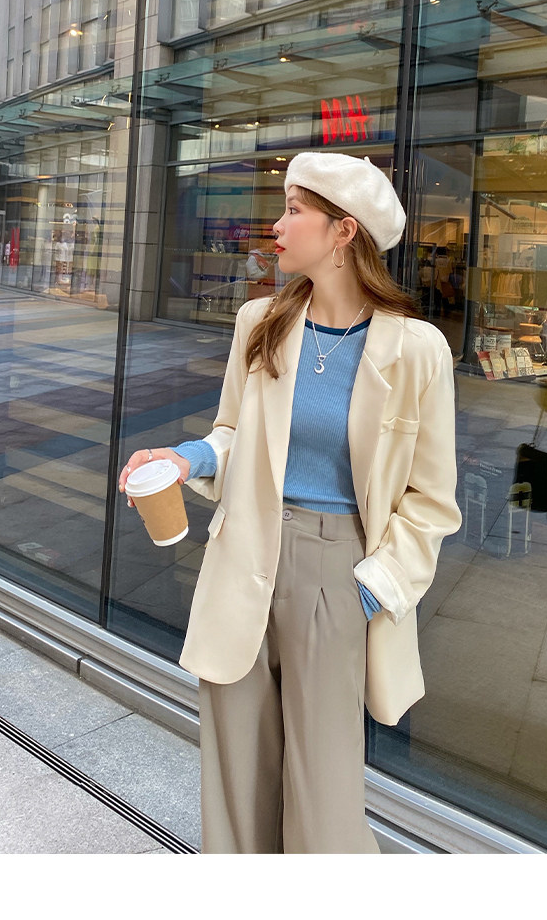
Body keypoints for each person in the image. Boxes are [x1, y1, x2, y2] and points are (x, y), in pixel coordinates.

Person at [119, 151, 461, 853]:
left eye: (294, 210)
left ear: (344, 231)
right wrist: (185, 459)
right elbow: (234, 432)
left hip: (339, 572)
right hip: (245, 552)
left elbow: (432, 500)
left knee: (323, 791)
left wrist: (371, 590)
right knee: (236, 773)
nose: (275, 225)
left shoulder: (417, 349)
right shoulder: (260, 322)